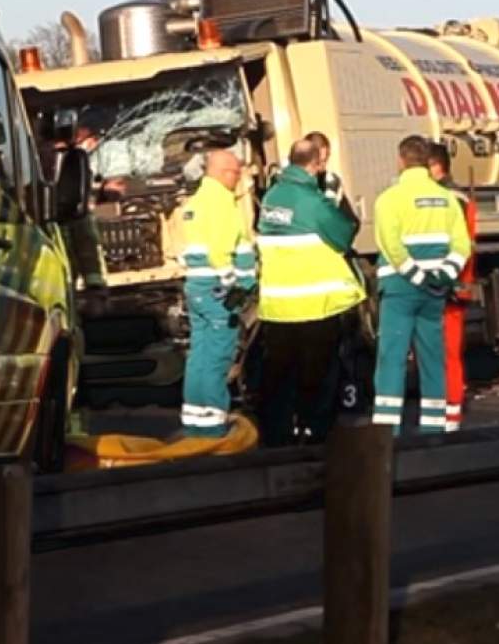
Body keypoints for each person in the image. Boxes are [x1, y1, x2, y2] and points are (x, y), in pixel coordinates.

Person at [257, 139, 365, 444]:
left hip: (278, 305)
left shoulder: (272, 196)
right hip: (315, 305)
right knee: (318, 374)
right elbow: (343, 234)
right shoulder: (312, 201)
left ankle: (277, 435)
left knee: (279, 376)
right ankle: (315, 432)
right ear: (316, 164)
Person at [372, 135, 471, 434]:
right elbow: (462, 245)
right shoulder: (447, 200)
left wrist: (414, 275)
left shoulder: (389, 199)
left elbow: (390, 244)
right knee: (432, 358)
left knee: (392, 358)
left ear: (401, 161)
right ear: (428, 162)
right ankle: (433, 429)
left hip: (402, 290)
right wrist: (442, 275)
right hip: (434, 293)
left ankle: (387, 432)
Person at [179, 149, 255, 437]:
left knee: (199, 355)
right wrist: (231, 283)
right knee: (219, 356)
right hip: (217, 290)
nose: (238, 180)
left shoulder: (196, 201)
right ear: (225, 173)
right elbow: (221, 248)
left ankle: (195, 422)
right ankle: (213, 429)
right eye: (237, 173)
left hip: (197, 287)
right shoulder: (221, 202)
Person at [426, 143, 477, 431]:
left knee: (444, 352)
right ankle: (448, 412)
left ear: (436, 167)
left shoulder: (447, 199)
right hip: (456, 283)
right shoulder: (456, 197)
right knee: (446, 352)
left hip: (447, 285)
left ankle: (449, 414)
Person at [303, 131, 344, 206]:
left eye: (325, 160)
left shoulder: (330, 181)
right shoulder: (293, 184)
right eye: (318, 162)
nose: (322, 166)